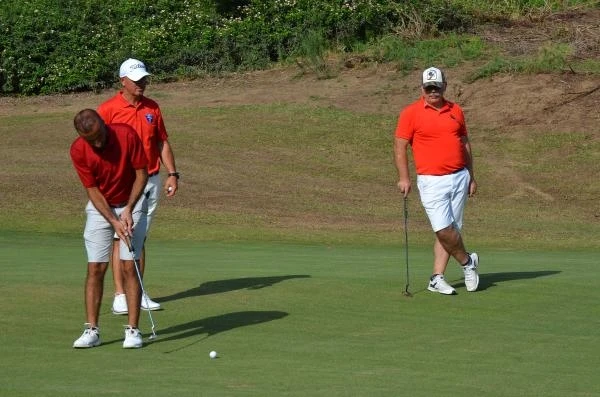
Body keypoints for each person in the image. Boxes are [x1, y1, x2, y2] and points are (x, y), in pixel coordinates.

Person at [97, 58, 179, 314]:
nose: (142, 83)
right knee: (120, 235)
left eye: (144, 79)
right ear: (123, 82)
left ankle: (138, 293)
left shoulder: (152, 107)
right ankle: (120, 294)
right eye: (136, 80)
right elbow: (96, 147)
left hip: (151, 179)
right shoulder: (108, 110)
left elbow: (161, 142)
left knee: (139, 237)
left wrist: (173, 173)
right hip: (121, 182)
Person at [393, 66, 479, 295]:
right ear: (422, 88)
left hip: (459, 176)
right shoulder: (410, 113)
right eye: (429, 87)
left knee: (453, 229)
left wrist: (471, 176)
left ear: (444, 86)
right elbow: (400, 146)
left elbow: (465, 143)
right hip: (431, 180)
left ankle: (436, 278)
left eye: (437, 87)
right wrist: (404, 177)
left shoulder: (456, 110)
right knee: (443, 229)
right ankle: (468, 262)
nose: (433, 91)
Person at [70, 109, 148, 348]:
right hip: (101, 206)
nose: (97, 142)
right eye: (90, 140)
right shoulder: (78, 150)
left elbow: (141, 174)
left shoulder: (126, 135)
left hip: (132, 201)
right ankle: (92, 330)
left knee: (128, 266)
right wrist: (114, 221)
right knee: (95, 267)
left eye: (99, 135)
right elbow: (92, 190)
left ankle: (133, 331)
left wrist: (128, 210)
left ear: (104, 124)